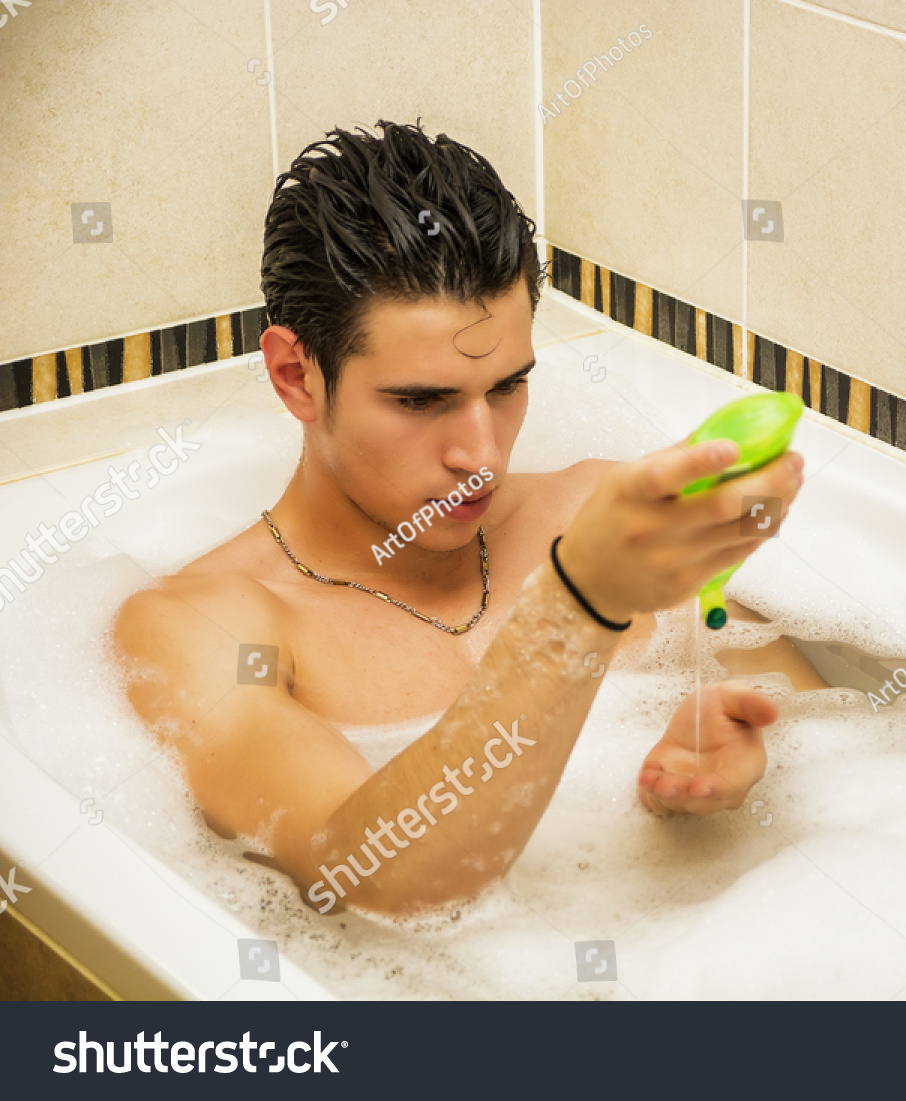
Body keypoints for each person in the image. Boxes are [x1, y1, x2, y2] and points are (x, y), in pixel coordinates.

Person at [110, 120, 814, 919]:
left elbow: (857, 747)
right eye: (421, 400)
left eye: (508, 386)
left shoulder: (597, 512)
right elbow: (374, 877)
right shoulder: (201, 628)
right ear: (294, 375)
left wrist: (731, 770)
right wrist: (576, 605)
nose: (480, 453)